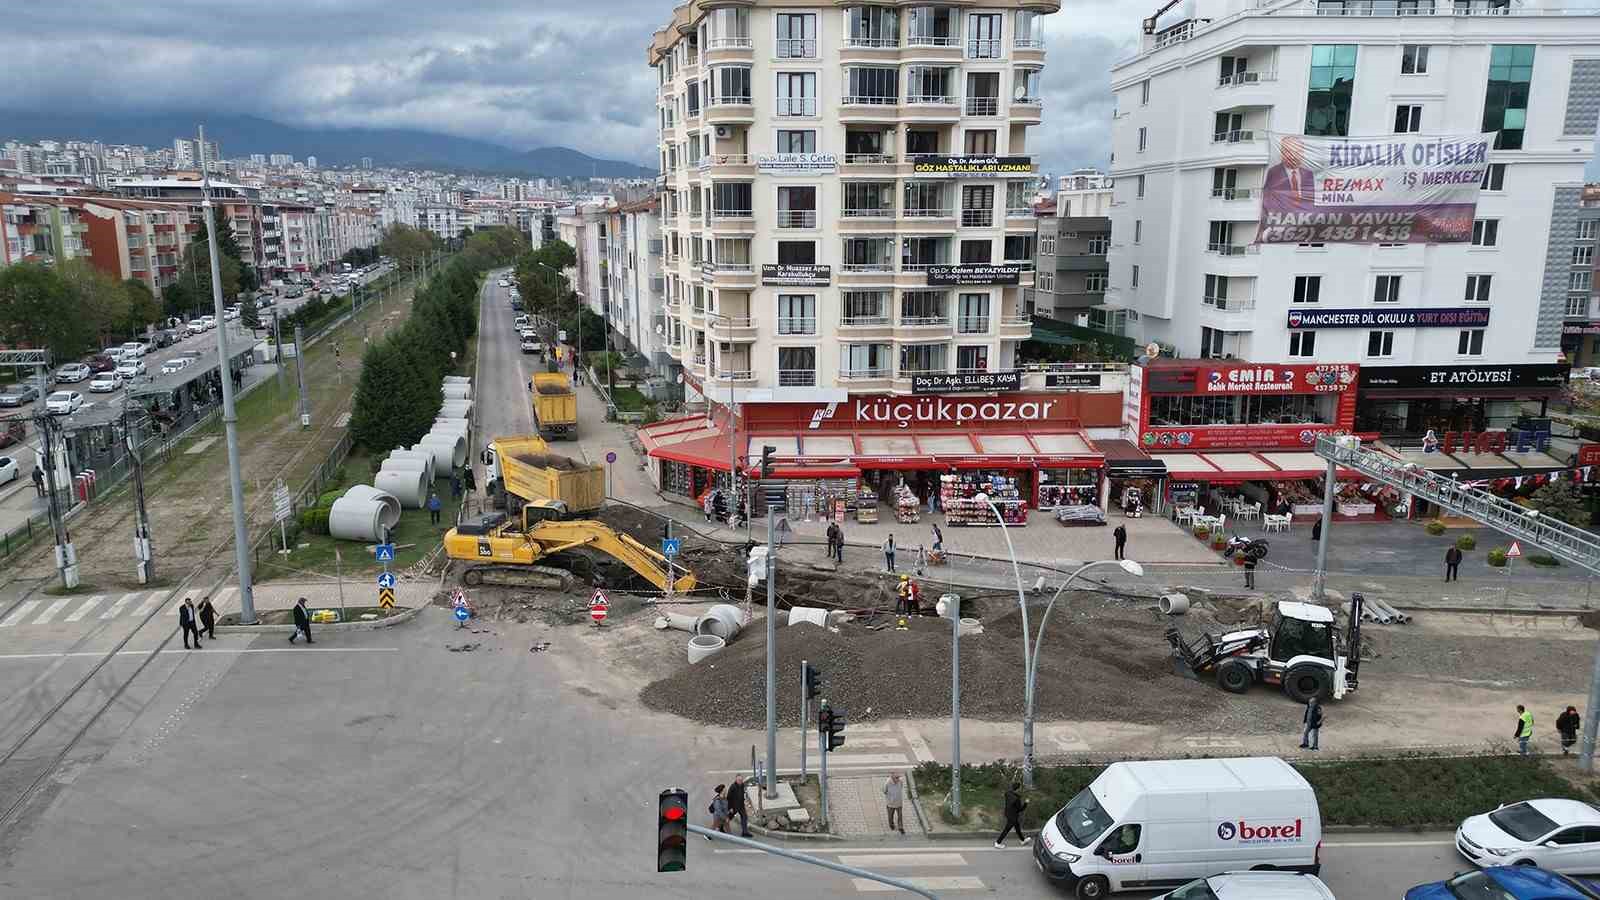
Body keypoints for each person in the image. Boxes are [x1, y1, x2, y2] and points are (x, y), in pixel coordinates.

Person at [994, 781, 1030, 848]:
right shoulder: (1017, 799)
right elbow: (1020, 809)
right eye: (1020, 788)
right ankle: (998, 843)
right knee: (1007, 830)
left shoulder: (1008, 793)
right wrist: (1026, 803)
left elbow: (1007, 794)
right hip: (1013, 816)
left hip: (1008, 813)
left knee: (1017, 828)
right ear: (1018, 789)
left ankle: (1023, 840)